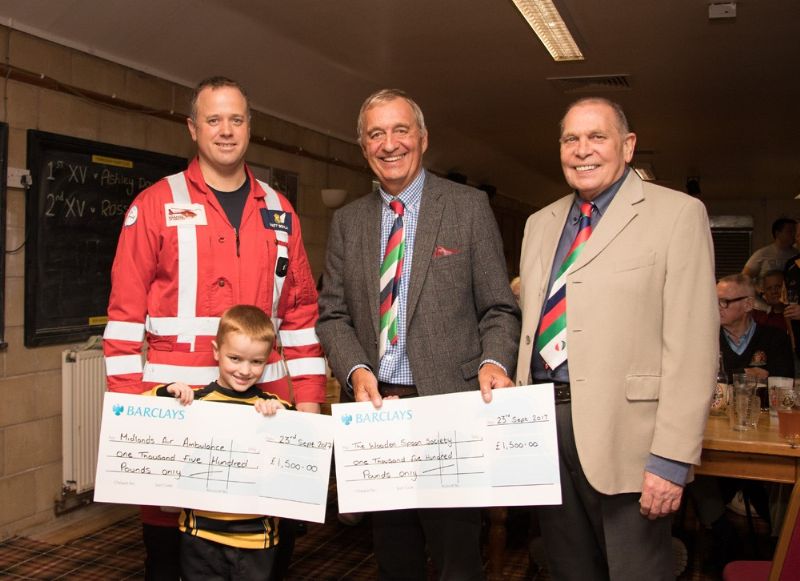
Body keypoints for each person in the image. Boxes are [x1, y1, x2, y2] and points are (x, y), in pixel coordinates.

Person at [103, 76, 326, 580]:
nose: (226, 131)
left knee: (264, 552)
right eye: (213, 119)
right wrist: (129, 416)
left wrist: (308, 418)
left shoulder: (280, 212)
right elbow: (122, 323)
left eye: (237, 119)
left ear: (250, 127)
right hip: (180, 410)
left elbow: (300, 322)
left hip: (263, 411)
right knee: (172, 554)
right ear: (192, 128)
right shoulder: (155, 205)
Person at [316, 88, 520, 580]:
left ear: (423, 139)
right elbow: (332, 315)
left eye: (400, 130)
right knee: (394, 560)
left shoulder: (467, 208)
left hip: (451, 412)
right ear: (364, 147)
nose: (390, 143)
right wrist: (356, 370)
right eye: (376, 134)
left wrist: (496, 360)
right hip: (379, 416)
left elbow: (499, 306)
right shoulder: (348, 223)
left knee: (457, 563)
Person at [515, 97, 718, 580]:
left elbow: (693, 347)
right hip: (545, 428)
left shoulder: (677, 215)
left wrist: (671, 459)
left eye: (596, 137)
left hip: (629, 438)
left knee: (637, 572)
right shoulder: (539, 224)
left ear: (627, 147)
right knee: (567, 569)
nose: (582, 150)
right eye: (571, 139)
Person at [148, 305, 290, 580]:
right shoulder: (195, 401)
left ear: (267, 360)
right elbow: (135, 413)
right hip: (200, 535)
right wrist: (167, 392)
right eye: (234, 358)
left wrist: (280, 416)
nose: (245, 370)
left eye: (256, 362)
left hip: (256, 540)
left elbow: (300, 441)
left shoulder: (273, 408)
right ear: (216, 351)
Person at [718, 274, 794, 380]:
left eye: (724, 301)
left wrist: (727, 375)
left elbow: (783, 382)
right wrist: (744, 374)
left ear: (748, 304)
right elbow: (698, 379)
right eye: (714, 302)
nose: (717, 307)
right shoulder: (706, 341)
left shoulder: (776, 338)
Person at [743, 218, 797, 285]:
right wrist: (758, 291)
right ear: (777, 233)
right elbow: (744, 278)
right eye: (790, 231)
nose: (794, 235)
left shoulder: (796, 254)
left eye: (795, 231)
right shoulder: (762, 254)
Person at [751, 270, 790, 334]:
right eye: (769, 288)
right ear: (765, 293)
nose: (774, 291)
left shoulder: (795, 317)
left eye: (778, 286)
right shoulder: (759, 319)